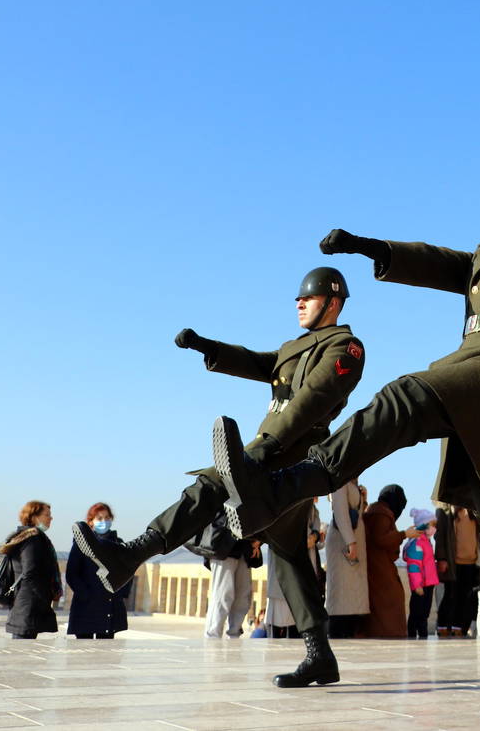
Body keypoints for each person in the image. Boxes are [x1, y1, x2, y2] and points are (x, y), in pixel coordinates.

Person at [213, 129, 480, 729]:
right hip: (478, 380)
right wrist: (373, 248)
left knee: (404, 396)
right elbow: (443, 262)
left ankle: (289, 484)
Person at [72, 267, 363, 686]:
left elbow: (314, 401)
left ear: (333, 303)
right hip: (272, 454)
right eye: (298, 298)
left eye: (309, 298)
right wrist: (208, 348)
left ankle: (131, 554)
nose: (299, 303)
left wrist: (263, 449)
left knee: (211, 485)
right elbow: (258, 361)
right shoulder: (294, 347)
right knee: (290, 557)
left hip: (292, 458)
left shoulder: (346, 347)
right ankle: (320, 654)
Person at [359, 485, 419, 638]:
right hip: (379, 569)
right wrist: (404, 534)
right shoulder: (381, 513)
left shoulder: (378, 511)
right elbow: (381, 538)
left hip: (378, 567)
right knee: (389, 602)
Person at [65, 502, 132, 639]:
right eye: (99, 518)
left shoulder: (118, 543)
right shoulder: (81, 544)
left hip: (109, 606)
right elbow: (72, 573)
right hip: (87, 606)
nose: (104, 522)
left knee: (106, 654)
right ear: (90, 522)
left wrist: (120, 594)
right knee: (83, 652)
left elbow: (127, 570)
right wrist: (85, 594)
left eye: (107, 518)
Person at [0, 500, 61, 640]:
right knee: (22, 653)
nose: (51, 518)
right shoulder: (32, 540)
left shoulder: (33, 538)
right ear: (34, 517)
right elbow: (30, 572)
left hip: (28, 604)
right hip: (28, 606)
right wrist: (42, 596)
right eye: (47, 515)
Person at [325, 479, 369, 638]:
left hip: (352, 541)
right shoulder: (340, 482)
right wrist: (351, 541)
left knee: (352, 594)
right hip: (342, 543)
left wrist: (363, 499)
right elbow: (340, 512)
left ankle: (349, 632)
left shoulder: (353, 484)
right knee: (341, 593)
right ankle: (338, 633)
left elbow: (355, 515)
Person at [436, 504, 480, 638]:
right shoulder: (446, 511)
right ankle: (443, 626)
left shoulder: (474, 511)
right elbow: (440, 535)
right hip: (452, 562)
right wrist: (442, 558)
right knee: (450, 596)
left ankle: (459, 627)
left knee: (465, 597)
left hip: (472, 562)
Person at [206, 531, 262, 639]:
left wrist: (258, 542)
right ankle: (212, 637)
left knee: (242, 597)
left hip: (245, 548)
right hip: (223, 546)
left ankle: (234, 635)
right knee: (222, 595)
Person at [403, 509, 438, 639]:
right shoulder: (417, 543)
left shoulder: (426, 542)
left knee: (424, 614)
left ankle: (422, 636)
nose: (434, 528)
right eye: (432, 525)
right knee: (417, 613)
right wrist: (417, 585)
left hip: (428, 584)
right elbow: (414, 566)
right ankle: (414, 636)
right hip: (420, 586)